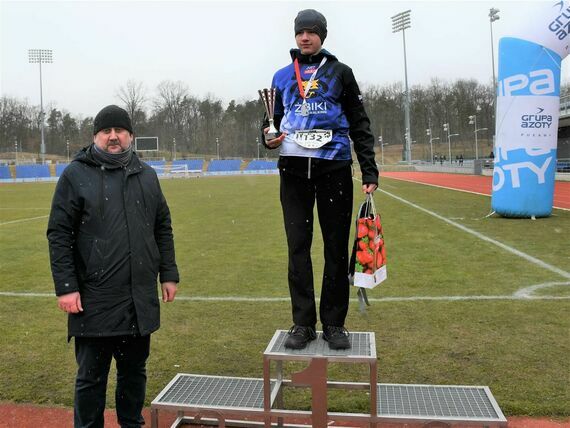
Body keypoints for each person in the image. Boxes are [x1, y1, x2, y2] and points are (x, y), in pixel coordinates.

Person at [47, 105, 179, 428]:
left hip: (138, 298)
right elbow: (59, 233)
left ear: (131, 136)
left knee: (134, 374)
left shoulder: (147, 175)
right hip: (94, 299)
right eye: (106, 131)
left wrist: (169, 273)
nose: (113, 136)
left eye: (120, 130)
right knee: (91, 380)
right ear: (95, 137)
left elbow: (162, 225)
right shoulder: (75, 175)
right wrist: (66, 286)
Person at [261, 9, 379, 350]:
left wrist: (368, 169)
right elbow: (271, 121)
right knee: (297, 247)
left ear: (322, 35)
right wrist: (266, 137)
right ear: (295, 36)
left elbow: (360, 122)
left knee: (335, 249)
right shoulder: (282, 76)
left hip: (334, 168)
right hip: (294, 170)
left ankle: (334, 323)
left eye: (312, 32)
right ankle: (302, 323)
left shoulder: (341, 73)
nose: (305, 37)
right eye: (300, 32)